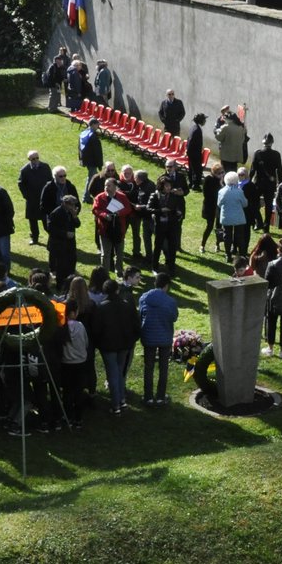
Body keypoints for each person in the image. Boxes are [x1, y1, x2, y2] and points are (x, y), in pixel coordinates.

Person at [90, 277, 140, 414]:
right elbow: (136, 325)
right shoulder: (127, 306)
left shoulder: (101, 308)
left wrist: (99, 343)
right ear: (117, 290)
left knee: (113, 373)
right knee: (119, 371)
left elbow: (96, 329)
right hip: (124, 345)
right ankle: (121, 400)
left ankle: (116, 404)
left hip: (108, 346)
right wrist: (131, 341)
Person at [138, 272, 179, 406]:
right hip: (164, 338)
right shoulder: (171, 301)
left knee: (148, 368)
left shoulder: (143, 298)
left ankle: (148, 397)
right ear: (166, 286)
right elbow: (174, 318)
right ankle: (160, 397)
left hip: (148, 337)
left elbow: (140, 315)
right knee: (163, 368)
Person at [148, 174, 186, 277]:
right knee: (158, 246)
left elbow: (179, 207)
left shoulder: (174, 196)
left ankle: (171, 267)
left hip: (171, 224)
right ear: (161, 186)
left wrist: (178, 212)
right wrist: (160, 211)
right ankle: (155, 267)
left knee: (172, 246)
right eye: (166, 186)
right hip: (160, 225)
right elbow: (148, 208)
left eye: (169, 185)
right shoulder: (155, 195)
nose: (169, 187)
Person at [249, 133, 282, 229]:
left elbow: (253, 169)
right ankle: (266, 225)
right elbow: (280, 170)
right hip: (270, 183)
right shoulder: (276, 154)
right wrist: (281, 182)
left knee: (253, 203)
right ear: (272, 143)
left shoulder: (258, 153)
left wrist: (249, 180)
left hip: (259, 182)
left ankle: (259, 221)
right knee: (268, 205)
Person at [18, 149, 51, 244]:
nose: (36, 160)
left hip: (44, 198)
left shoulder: (45, 167)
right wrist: (26, 196)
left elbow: (50, 180)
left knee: (46, 220)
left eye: (37, 158)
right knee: (33, 221)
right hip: (32, 199)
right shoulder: (25, 170)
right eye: (33, 159)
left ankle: (52, 237)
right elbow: (21, 184)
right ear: (29, 159)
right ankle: (35, 238)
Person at [216, 171, 247, 260]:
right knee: (240, 236)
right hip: (238, 217)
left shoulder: (221, 191)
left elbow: (219, 203)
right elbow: (245, 204)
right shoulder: (239, 191)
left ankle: (228, 254)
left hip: (226, 216)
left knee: (227, 236)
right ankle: (242, 254)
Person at [78, 117, 104, 182]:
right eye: (97, 124)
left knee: (91, 177)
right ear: (93, 125)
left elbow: (79, 147)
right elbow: (97, 152)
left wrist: (80, 158)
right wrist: (100, 164)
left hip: (86, 159)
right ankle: (87, 192)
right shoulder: (93, 137)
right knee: (92, 179)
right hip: (92, 161)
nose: (98, 126)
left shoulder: (83, 133)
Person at [186, 112, 207, 177]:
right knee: (195, 170)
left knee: (192, 169)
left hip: (193, 153)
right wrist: (188, 151)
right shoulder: (197, 130)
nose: (205, 121)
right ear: (201, 121)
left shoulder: (194, 127)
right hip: (195, 154)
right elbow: (190, 141)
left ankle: (192, 182)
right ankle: (195, 184)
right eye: (204, 119)